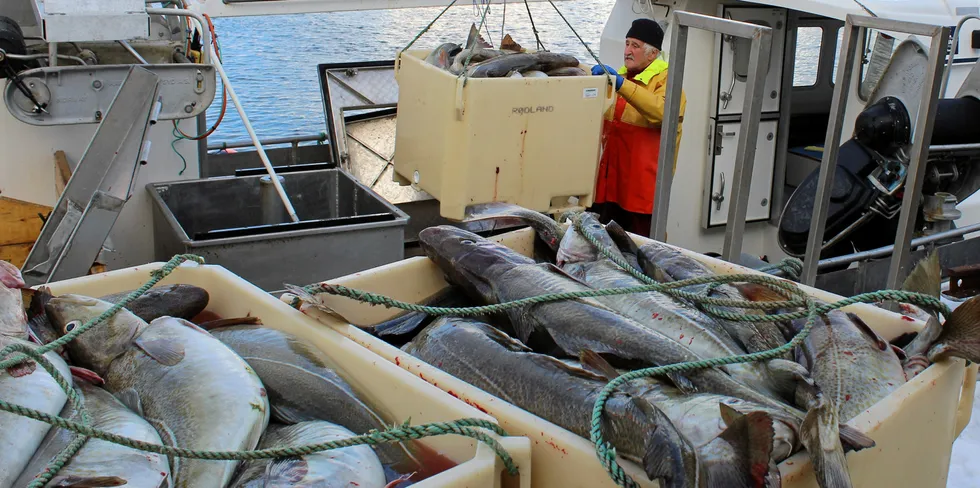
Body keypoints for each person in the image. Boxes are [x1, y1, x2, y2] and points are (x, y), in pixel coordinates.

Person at [588, 18, 687, 236]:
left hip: (643, 198)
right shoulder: (621, 77)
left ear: (653, 53)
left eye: (635, 45)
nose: (627, 51)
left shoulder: (668, 81)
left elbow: (662, 112)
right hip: (609, 190)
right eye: (627, 43)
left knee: (642, 251)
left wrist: (623, 85)